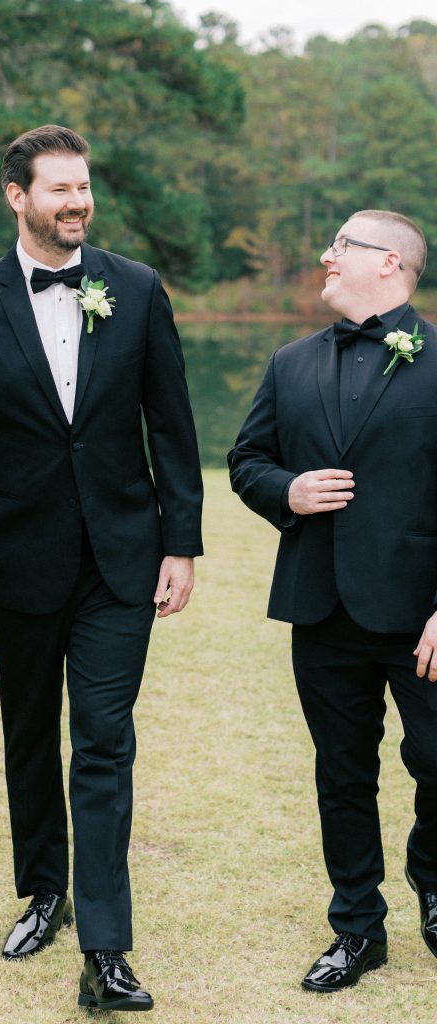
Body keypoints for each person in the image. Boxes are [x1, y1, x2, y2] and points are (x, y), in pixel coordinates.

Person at [0, 124, 203, 1012]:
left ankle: (106, 951)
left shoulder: (138, 289)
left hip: (122, 559)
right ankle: (44, 891)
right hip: (17, 560)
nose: (79, 203)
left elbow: (173, 427)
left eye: (84, 188)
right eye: (60, 189)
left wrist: (181, 542)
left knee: (105, 740)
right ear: (18, 196)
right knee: (31, 732)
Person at [228, 209, 437, 992]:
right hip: (321, 608)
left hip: (422, 615)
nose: (326, 255)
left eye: (341, 245)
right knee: (341, 775)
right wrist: (287, 490)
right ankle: (356, 928)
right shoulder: (291, 362)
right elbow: (247, 458)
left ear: (389, 263)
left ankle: (430, 871)